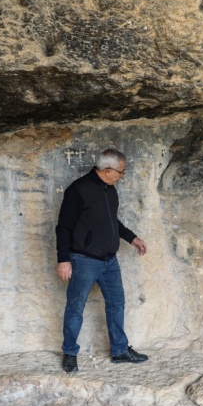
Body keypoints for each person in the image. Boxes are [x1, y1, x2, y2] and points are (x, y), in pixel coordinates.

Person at [55, 148, 149, 373]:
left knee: (117, 304)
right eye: (121, 172)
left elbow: (110, 221)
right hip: (84, 260)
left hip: (110, 261)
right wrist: (64, 260)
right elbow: (63, 227)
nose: (122, 176)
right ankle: (70, 353)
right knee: (75, 307)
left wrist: (131, 237)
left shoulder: (109, 190)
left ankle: (120, 350)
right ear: (108, 170)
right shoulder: (78, 190)